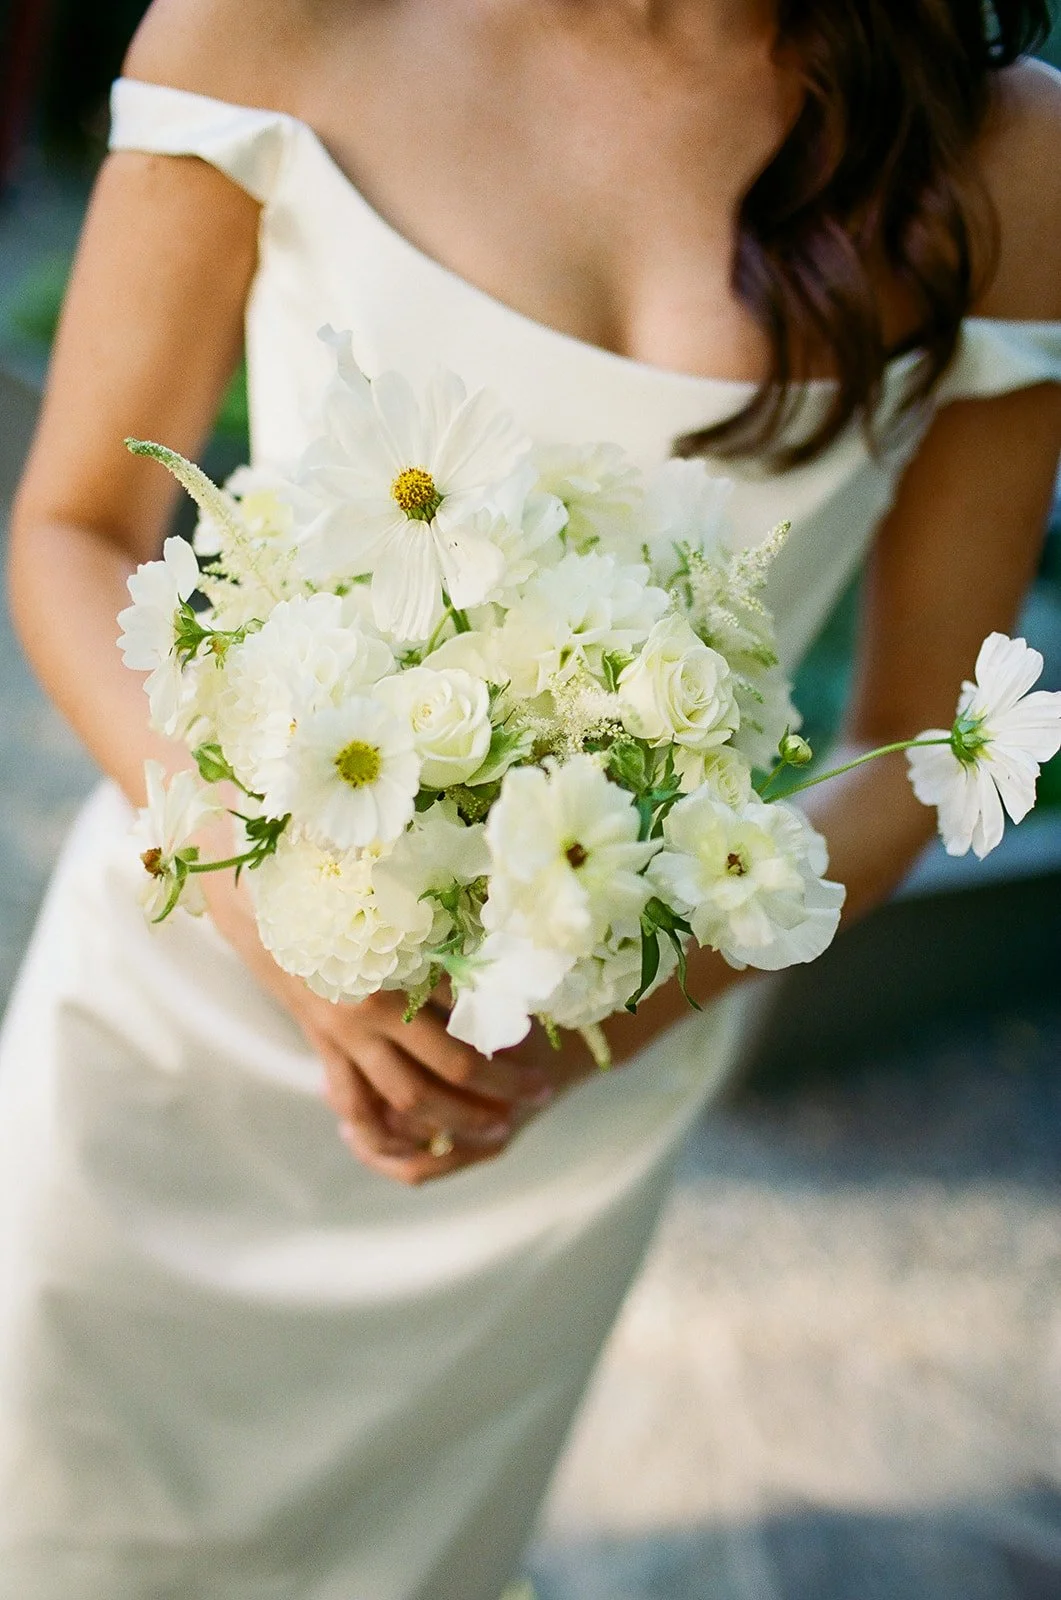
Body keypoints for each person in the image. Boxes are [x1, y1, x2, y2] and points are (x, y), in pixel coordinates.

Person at [1, 1, 1059, 1595]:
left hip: (560, 1103)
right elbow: (73, 527)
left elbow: (924, 745)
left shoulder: (1009, 163)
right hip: (181, 1022)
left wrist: (596, 1034)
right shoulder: (282, 19)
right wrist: (256, 904)